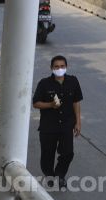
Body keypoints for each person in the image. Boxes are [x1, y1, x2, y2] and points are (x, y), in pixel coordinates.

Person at [33, 55, 83, 189]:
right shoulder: (44, 84)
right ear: (51, 68)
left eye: (62, 66)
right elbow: (36, 103)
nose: (59, 69)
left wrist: (78, 122)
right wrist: (50, 105)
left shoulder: (73, 81)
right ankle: (49, 175)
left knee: (68, 153)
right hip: (48, 126)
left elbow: (76, 102)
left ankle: (60, 175)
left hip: (66, 125)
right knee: (47, 155)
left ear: (66, 67)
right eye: (56, 66)